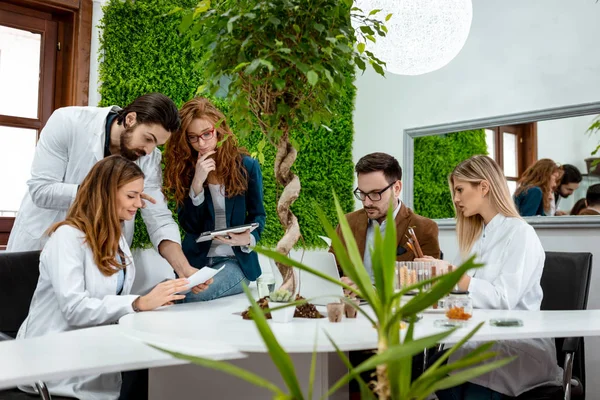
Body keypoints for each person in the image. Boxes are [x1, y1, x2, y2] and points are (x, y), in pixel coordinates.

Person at [17, 156, 205, 400]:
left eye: (139, 195)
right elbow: (74, 309)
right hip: (57, 366)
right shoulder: (67, 238)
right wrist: (137, 303)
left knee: (162, 369)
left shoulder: (116, 240)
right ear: (106, 194)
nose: (139, 203)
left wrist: (160, 298)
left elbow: (112, 299)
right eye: (131, 195)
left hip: (96, 358)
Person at [7, 93, 207, 292]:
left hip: (99, 259)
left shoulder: (148, 157)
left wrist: (183, 268)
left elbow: (159, 217)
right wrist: (106, 192)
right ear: (130, 119)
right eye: (148, 139)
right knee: (26, 317)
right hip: (41, 244)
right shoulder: (68, 122)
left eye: (156, 145)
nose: (148, 151)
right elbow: (41, 190)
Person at [418, 155, 562, 399]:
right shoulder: (477, 237)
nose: (455, 199)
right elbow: (458, 294)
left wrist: (452, 274)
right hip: (476, 339)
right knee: (424, 375)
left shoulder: (520, 234)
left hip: (514, 345)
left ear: (484, 187)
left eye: (460, 190)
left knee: (449, 378)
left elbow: (503, 299)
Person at [163, 97, 266, 301]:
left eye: (206, 134)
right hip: (197, 261)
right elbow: (190, 226)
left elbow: (258, 215)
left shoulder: (246, 167)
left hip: (235, 262)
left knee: (183, 296)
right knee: (166, 291)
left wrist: (248, 239)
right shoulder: (185, 171)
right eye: (193, 138)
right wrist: (197, 184)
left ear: (219, 130)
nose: (201, 143)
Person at [330, 152, 440, 286]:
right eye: (362, 193)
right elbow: (330, 270)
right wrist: (340, 283)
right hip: (352, 304)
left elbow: (428, 283)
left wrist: (371, 291)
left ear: (397, 188)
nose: (367, 202)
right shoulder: (348, 222)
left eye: (375, 194)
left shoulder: (424, 228)